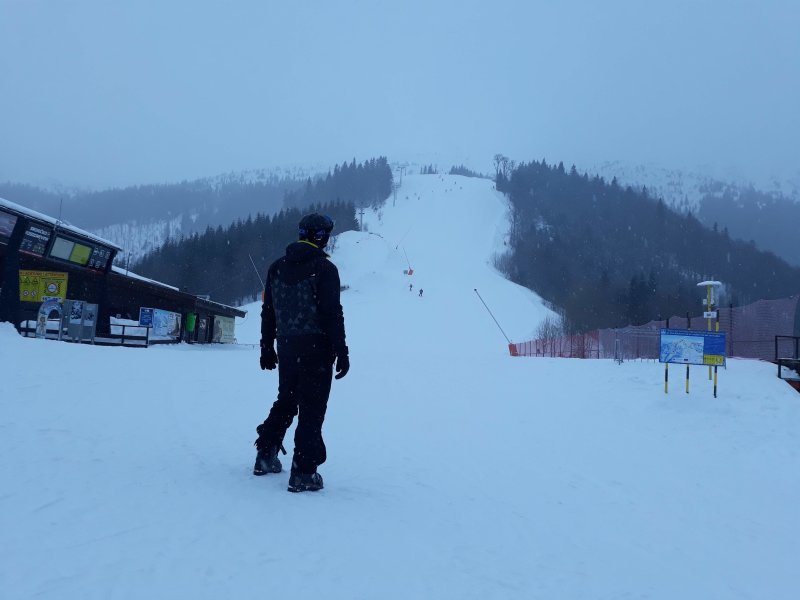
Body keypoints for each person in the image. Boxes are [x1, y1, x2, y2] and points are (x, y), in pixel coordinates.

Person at [253, 213, 349, 493]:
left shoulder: (276, 267)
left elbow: (268, 312)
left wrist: (267, 347)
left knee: (286, 401)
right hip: (317, 350)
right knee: (312, 409)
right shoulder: (324, 269)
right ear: (321, 237)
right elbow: (332, 313)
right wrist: (341, 351)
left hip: (287, 348)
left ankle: (265, 454)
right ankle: (304, 472)